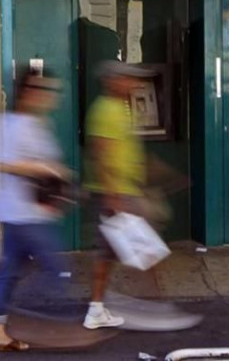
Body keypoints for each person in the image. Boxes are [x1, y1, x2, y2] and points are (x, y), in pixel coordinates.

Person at [0, 69, 71, 352]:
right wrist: (46, 168)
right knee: (56, 270)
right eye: (43, 91)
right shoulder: (11, 124)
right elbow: (3, 163)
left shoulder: (30, 123)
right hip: (23, 213)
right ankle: (36, 320)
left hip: (24, 211)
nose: (48, 98)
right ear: (29, 92)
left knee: (9, 271)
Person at [82, 61, 149, 330]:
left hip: (123, 190)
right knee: (131, 250)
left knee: (110, 253)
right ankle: (156, 307)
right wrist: (112, 197)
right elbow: (101, 154)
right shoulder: (107, 110)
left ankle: (97, 308)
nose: (133, 84)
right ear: (113, 81)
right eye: (128, 79)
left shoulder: (118, 109)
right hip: (115, 193)